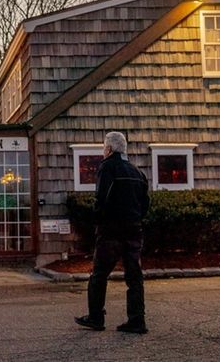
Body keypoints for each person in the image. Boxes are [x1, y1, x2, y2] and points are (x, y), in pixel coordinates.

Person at [75, 132, 150, 334]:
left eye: (103, 148)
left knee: (99, 273)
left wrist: (98, 220)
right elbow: (145, 204)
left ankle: (96, 316)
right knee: (134, 275)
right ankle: (137, 319)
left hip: (111, 230)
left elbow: (102, 197)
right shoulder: (137, 172)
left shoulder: (107, 167)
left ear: (108, 149)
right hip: (134, 229)